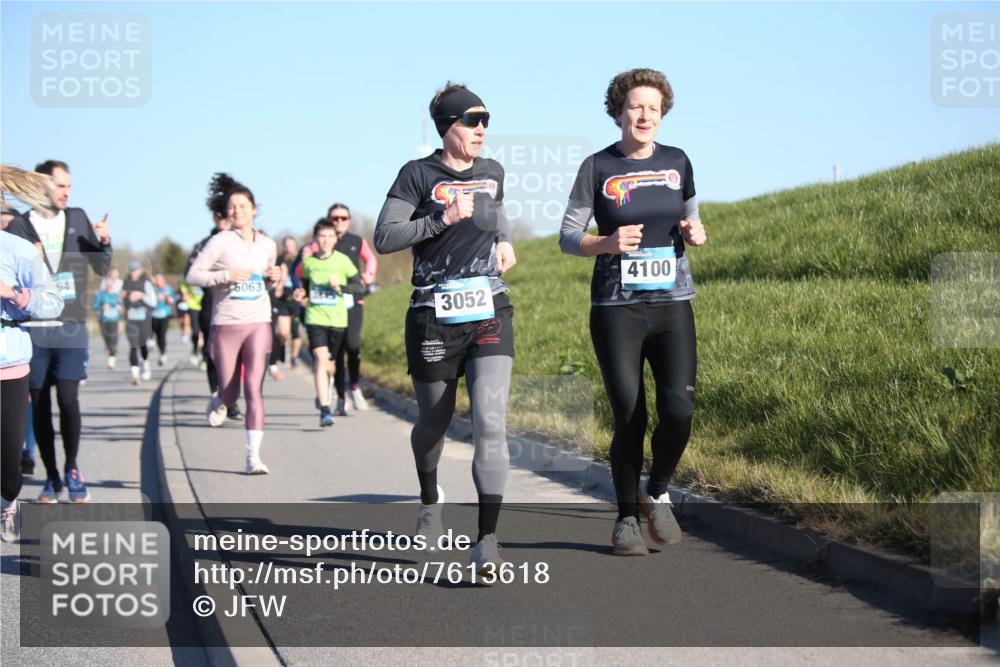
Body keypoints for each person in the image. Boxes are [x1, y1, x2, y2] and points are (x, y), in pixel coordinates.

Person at [559, 68, 707, 556]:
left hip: (672, 306)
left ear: (663, 114)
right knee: (630, 415)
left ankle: (657, 490)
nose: (645, 115)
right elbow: (567, 235)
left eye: (654, 108)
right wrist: (604, 242)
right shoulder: (597, 167)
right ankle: (625, 519)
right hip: (616, 309)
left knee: (679, 412)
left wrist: (695, 232)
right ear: (618, 112)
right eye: (636, 107)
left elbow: (691, 215)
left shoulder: (679, 161)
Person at [374, 82, 517, 575]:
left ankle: (487, 541)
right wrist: (440, 217)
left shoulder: (493, 172)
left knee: (490, 422)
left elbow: (494, 218)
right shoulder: (417, 174)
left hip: (489, 309)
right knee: (434, 422)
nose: (481, 130)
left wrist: (503, 241)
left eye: (486, 121)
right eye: (471, 121)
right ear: (447, 127)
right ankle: (430, 495)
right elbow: (385, 236)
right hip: (434, 314)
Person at [5, 160, 112, 503]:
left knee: (68, 399)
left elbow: (101, 266)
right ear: (41, 187)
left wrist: (104, 243)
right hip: (33, 329)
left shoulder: (78, 218)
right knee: (39, 406)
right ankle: (51, 476)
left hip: (70, 324)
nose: (67, 192)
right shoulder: (21, 226)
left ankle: (72, 468)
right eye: (61, 185)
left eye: (69, 186)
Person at [186, 176, 280, 474]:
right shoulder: (219, 241)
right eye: (232, 206)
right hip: (226, 324)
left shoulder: (268, 244)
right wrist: (223, 277)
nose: (237, 210)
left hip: (258, 322)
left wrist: (273, 278)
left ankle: (254, 456)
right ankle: (221, 398)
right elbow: (193, 275)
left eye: (242, 205)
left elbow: (268, 282)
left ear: (254, 209)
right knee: (231, 392)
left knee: (254, 388)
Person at [1, 164, 65, 539]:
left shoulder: (18, 251)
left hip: (8, 362)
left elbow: (52, 302)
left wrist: (13, 294)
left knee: (9, 456)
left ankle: (8, 500)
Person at [292, 219, 364, 427]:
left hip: (338, 320)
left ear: (335, 239)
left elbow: (359, 288)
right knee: (319, 358)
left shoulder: (343, 261)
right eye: (321, 236)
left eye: (330, 236)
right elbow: (305, 286)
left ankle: (327, 389)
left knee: (332, 365)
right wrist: (300, 293)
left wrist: (341, 287)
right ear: (315, 239)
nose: (325, 240)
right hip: (315, 318)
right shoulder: (309, 263)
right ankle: (325, 409)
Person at [327, 203, 378, 415]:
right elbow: (305, 264)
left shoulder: (357, 241)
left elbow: (371, 259)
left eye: (343, 218)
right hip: (330, 303)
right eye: (335, 218)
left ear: (349, 220)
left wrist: (369, 275)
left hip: (354, 298)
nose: (339, 222)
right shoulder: (323, 241)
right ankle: (340, 397)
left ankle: (355, 387)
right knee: (337, 352)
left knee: (353, 345)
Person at [123, 262, 157, 385]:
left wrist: (141, 296)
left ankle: (146, 365)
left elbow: (153, 302)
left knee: (142, 345)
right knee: (133, 345)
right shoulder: (125, 283)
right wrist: (125, 296)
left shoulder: (146, 283)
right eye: (131, 270)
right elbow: (118, 299)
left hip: (144, 320)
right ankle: (135, 375)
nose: (133, 272)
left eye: (135, 270)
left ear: (140, 270)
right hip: (131, 319)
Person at [92, 268, 122, 369]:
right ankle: (110, 354)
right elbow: (94, 306)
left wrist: (113, 307)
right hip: (103, 320)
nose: (110, 287)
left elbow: (120, 305)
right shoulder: (101, 295)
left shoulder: (116, 296)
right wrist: (102, 307)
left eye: (111, 286)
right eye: (108, 285)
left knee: (113, 339)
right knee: (107, 339)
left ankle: (111, 359)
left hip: (114, 319)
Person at [151, 273, 175, 365]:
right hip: (153, 314)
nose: (158, 282)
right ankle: (151, 342)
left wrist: (168, 298)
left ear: (163, 280)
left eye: (159, 280)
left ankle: (162, 353)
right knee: (152, 332)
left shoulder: (168, 289)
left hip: (165, 314)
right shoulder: (152, 289)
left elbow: (173, 299)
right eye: (156, 280)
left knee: (161, 335)